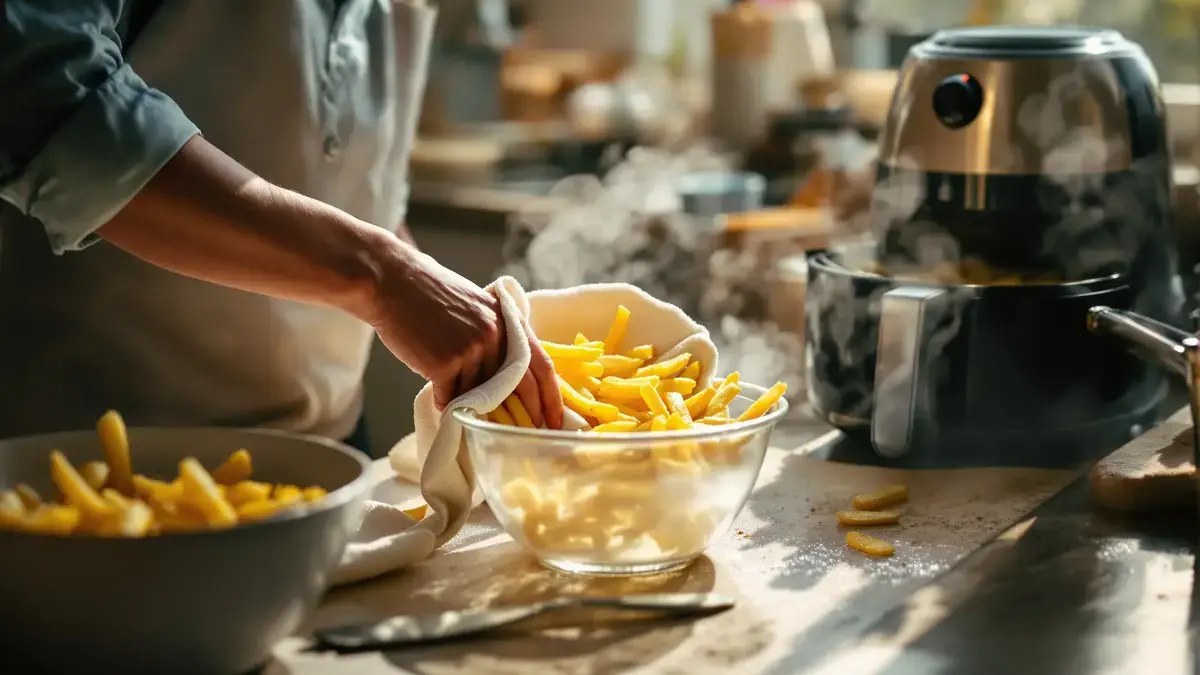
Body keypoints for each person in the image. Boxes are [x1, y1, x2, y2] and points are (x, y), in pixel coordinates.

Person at [0, 1, 564, 451]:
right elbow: (48, 94)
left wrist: (431, 290)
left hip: (332, 446)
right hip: (94, 460)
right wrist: (382, 278)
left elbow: (344, 171)